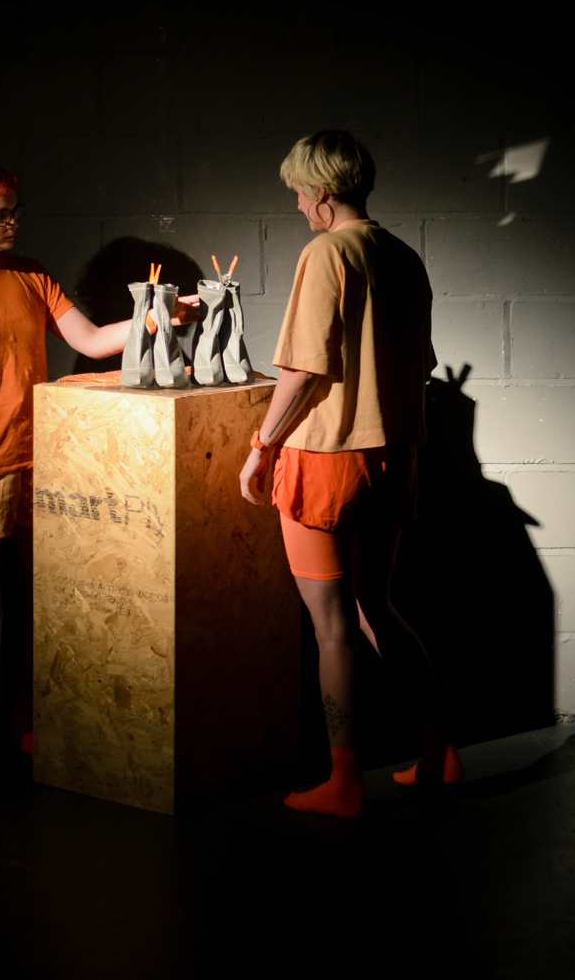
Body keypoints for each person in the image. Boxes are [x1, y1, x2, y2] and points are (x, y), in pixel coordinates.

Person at [0, 163, 198, 777]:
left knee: (32, 604)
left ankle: (27, 728)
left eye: (14, 210)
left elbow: (90, 340)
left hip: (39, 461)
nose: (12, 222)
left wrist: (158, 316)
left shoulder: (31, 276)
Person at [239, 132, 458, 817]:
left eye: (300, 194)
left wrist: (261, 442)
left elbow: (304, 366)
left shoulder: (326, 251)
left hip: (326, 458)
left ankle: (342, 780)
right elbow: (417, 361)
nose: (300, 205)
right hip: (394, 455)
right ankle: (438, 753)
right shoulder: (401, 254)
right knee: (379, 609)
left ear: (323, 194)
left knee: (331, 625)